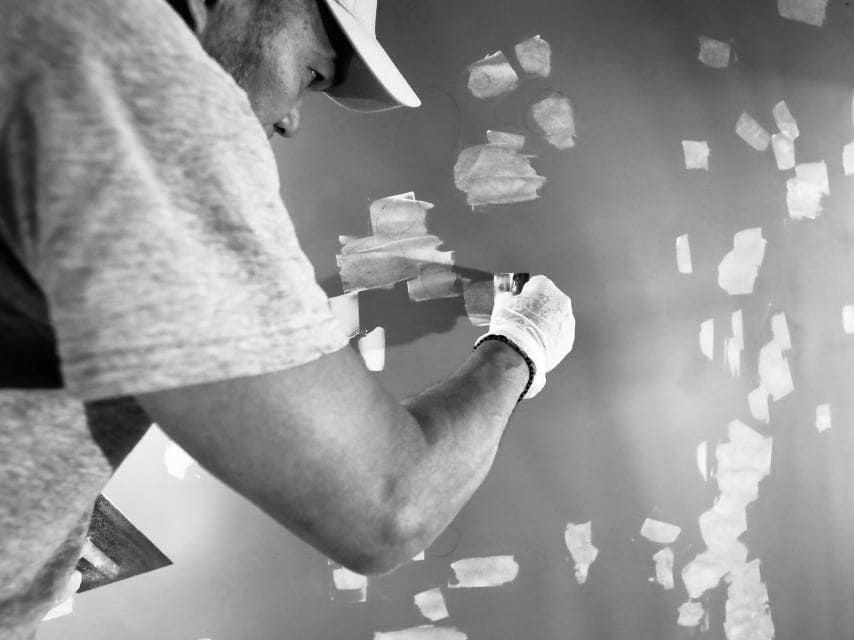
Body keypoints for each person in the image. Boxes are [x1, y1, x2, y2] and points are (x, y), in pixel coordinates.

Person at [0, 0, 576, 636]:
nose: (295, 120)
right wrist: (521, 343)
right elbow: (390, 508)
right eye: (313, 74)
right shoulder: (150, 83)